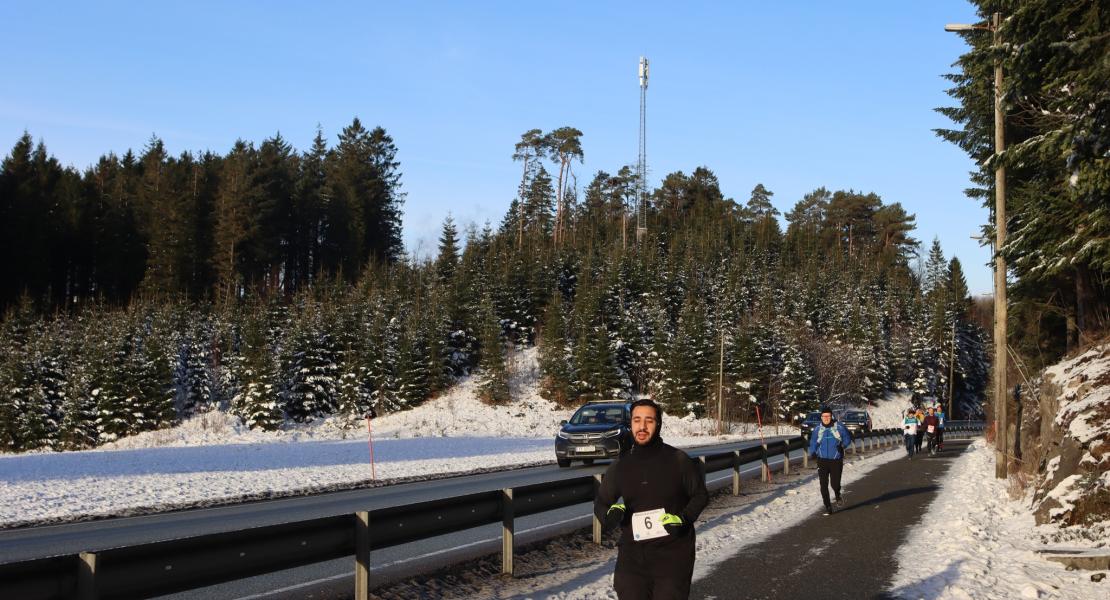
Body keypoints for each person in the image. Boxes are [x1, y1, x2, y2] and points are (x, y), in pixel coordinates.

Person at [595, 398, 708, 600]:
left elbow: (700, 496)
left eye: (649, 420)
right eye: (637, 420)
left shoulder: (678, 460)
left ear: (658, 425)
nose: (642, 426)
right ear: (630, 424)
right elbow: (601, 502)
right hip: (632, 558)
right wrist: (609, 515)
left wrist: (683, 519)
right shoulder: (621, 465)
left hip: (673, 556)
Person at [807, 405, 852, 515]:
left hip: (835, 459)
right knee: (823, 485)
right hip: (822, 460)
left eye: (828, 416)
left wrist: (842, 446)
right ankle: (827, 506)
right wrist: (812, 452)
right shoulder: (818, 429)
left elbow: (847, 438)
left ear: (831, 416)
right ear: (821, 417)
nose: (826, 418)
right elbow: (813, 442)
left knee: (835, 484)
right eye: (824, 416)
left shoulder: (839, 427)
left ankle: (837, 494)